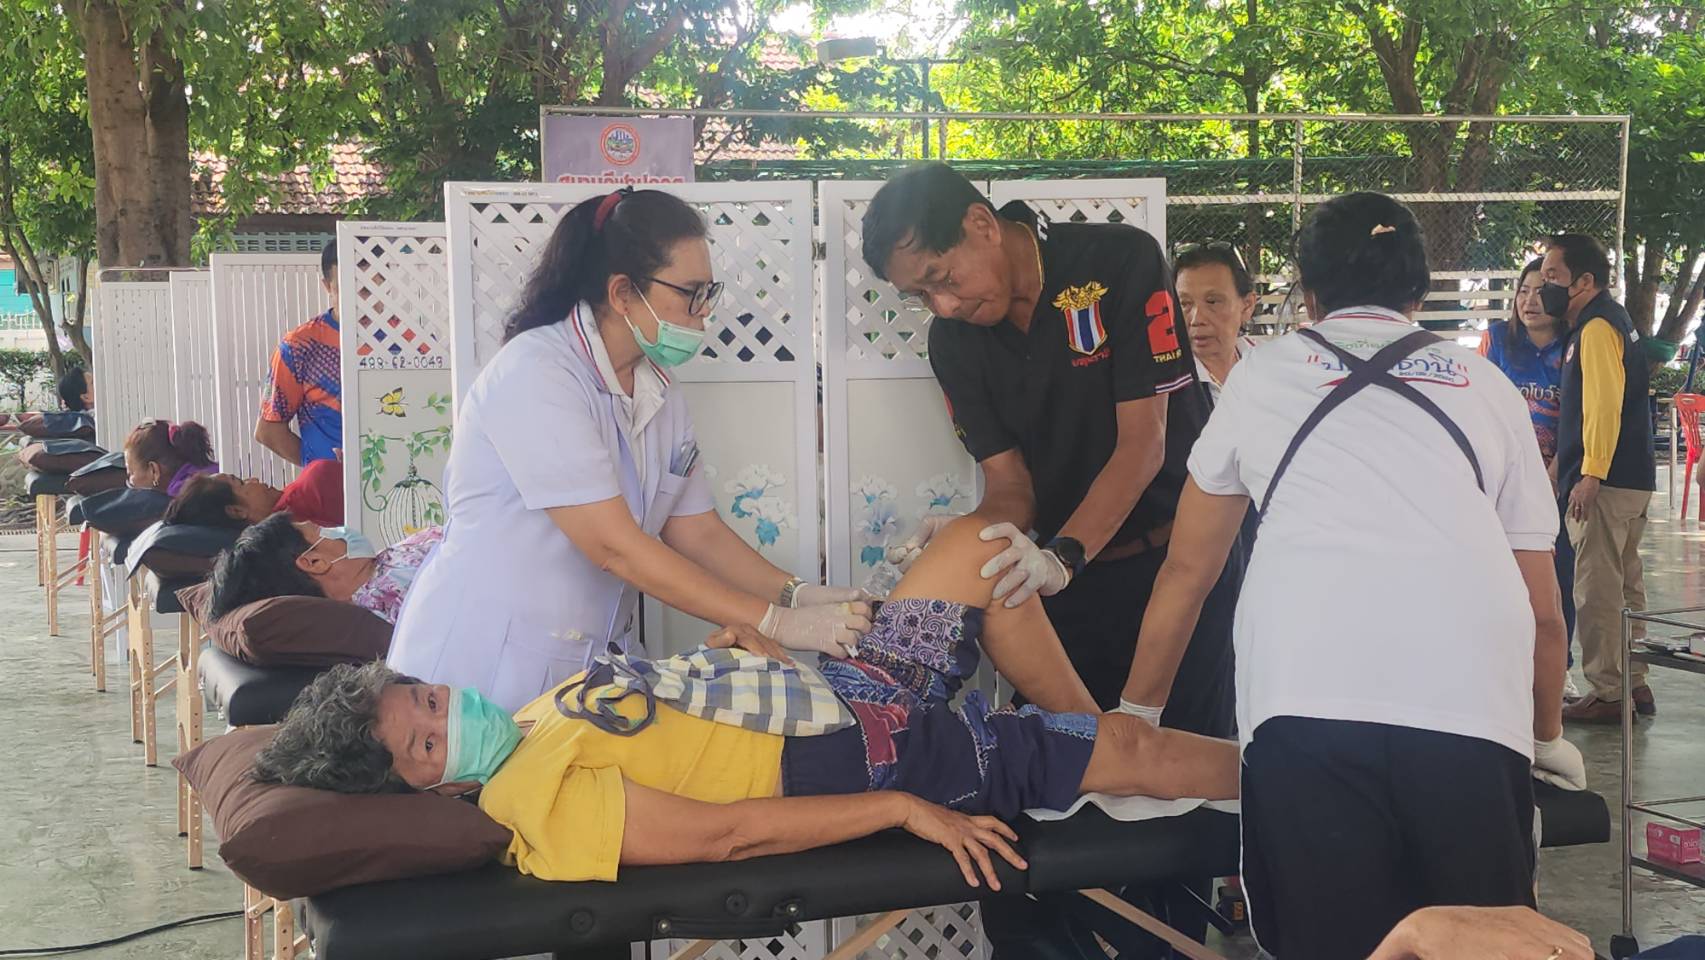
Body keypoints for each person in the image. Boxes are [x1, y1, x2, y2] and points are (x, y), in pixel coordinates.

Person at [253, 516, 1239, 888]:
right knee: (1137, 754)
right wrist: (903, 809)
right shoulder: (536, 804)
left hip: (844, 689)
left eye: (428, 701)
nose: (446, 721)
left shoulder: (534, 717)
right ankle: (1247, 777)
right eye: (427, 745)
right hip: (875, 755)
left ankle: (1093, 755)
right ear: (425, 790)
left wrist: (745, 649)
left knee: (980, 545)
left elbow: (680, 715)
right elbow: (730, 835)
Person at [1118, 192, 1583, 960]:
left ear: (1307, 293)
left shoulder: (1260, 379)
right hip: (1470, 716)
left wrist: (1135, 715)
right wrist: (1544, 737)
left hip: (1304, 711)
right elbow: (1542, 612)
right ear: (1417, 291)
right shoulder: (1486, 387)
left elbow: (1187, 572)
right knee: (1480, 943)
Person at [863, 161, 1244, 957]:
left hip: (1174, 578)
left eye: (942, 278)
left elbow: (1144, 446)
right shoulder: (955, 342)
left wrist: (1061, 556)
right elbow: (1011, 489)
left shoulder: (1116, 261)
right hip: (1061, 595)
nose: (942, 305)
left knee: (1175, 811)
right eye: (921, 295)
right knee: (1044, 797)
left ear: (979, 224)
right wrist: (968, 539)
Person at [387, 188, 868, 714]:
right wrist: (774, 622)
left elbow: (697, 531)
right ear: (622, 293)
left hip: (579, 661)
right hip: (480, 662)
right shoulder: (537, 373)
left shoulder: (658, 388)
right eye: (691, 292)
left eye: (708, 291)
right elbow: (613, 546)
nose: (704, 310)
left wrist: (795, 594)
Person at [1543, 233, 1658, 723]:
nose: (1545, 286)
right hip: (1632, 476)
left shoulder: (1595, 328)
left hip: (1606, 483)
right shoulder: (1612, 320)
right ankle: (1634, 683)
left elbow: (1603, 405)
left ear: (1584, 281)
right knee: (1626, 584)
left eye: (1553, 276)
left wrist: (1591, 473)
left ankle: (1609, 693)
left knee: (1596, 589)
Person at [1480, 260, 1579, 698]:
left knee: (1557, 576)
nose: (1530, 300)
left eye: (1541, 291)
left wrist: (1556, 472)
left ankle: (1561, 667)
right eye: (1523, 290)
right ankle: (1499, 664)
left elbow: (1580, 415)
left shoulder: (1573, 346)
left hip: (1556, 480)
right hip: (1500, 479)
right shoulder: (1497, 341)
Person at [207, 513, 438, 623]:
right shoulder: (394, 597)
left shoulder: (381, 565)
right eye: (319, 529)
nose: (339, 529)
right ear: (314, 563)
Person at [256, 241, 342, 467]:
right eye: (347, 286)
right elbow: (269, 430)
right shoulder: (299, 346)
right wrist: (318, 470)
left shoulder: (409, 341)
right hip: (329, 485)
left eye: (370, 285)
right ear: (328, 286)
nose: (360, 296)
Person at [1174, 241, 1259, 402]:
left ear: (1247, 306)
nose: (1197, 319)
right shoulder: (1166, 381)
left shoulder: (1268, 364)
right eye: (1185, 304)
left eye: (1212, 302)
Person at [163, 459, 344, 530]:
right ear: (237, 511)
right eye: (242, 483)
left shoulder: (291, 508)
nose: (254, 479)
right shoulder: (303, 499)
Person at [124, 419, 218, 496]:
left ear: (154, 471)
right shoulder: (217, 473)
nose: (129, 482)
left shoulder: (179, 498)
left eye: (131, 473)